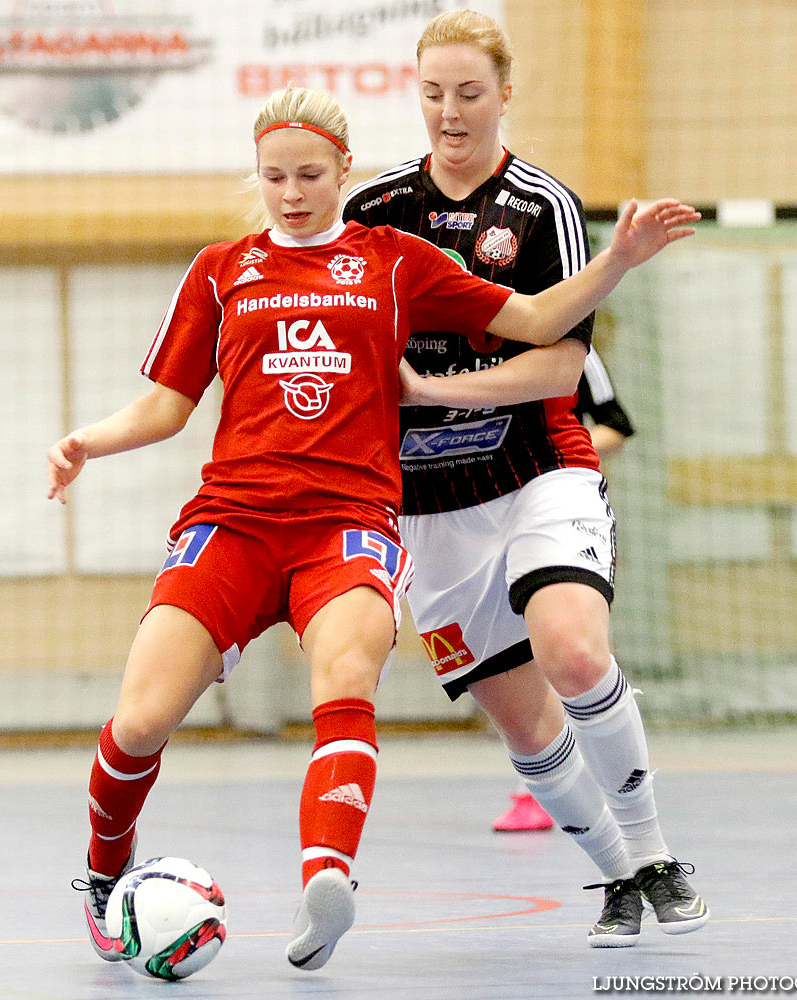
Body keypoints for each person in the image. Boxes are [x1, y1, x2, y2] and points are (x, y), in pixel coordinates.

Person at [48, 84, 696, 972]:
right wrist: (89, 441)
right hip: (232, 524)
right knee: (140, 721)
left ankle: (328, 881)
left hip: (347, 526)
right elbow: (167, 406)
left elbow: (539, 320)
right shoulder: (220, 269)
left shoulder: (393, 259)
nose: (291, 192)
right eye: (273, 177)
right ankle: (100, 875)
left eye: (309, 174)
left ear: (342, 171)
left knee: (345, 680)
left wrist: (618, 258)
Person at [342, 8, 708, 948]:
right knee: (527, 732)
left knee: (576, 654)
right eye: (433, 95)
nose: (450, 114)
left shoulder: (542, 207)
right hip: (428, 515)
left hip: (537, 471)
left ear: (505, 96)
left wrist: (427, 386)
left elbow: (558, 366)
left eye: (469, 94)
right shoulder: (373, 215)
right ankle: (618, 878)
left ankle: (658, 852)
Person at [492, 346, 636, 832]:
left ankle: (614, 780)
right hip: (484, 512)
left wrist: (548, 451)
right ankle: (541, 780)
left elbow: (615, 423)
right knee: (509, 661)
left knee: (578, 651)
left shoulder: (571, 344)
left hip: (560, 512)